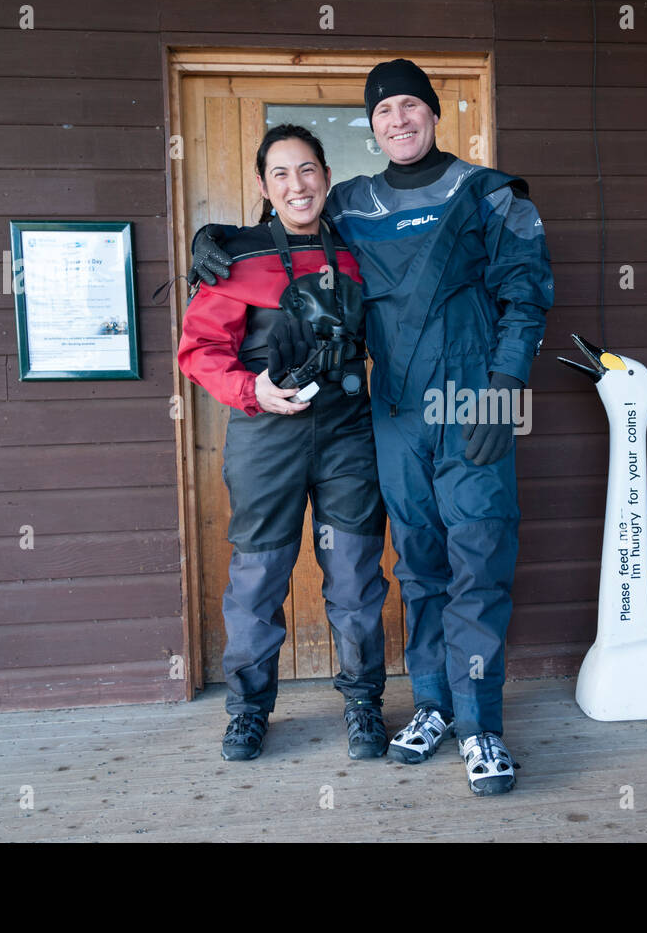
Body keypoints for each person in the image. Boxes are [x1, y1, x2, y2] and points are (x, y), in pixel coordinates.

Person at [193, 60, 554, 795]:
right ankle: (432, 706)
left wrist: (507, 387)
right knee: (419, 565)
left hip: (473, 404)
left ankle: (481, 724)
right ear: (372, 125)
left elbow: (528, 293)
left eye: (410, 106)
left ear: (432, 114)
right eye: (383, 109)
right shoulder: (356, 205)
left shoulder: (491, 193)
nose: (397, 119)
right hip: (392, 415)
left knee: (479, 557)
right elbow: (287, 228)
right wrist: (217, 238)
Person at [178, 124, 391, 763]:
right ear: (265, 187)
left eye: (307, 170)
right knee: (259, 575)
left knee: (354, 573)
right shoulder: (236, 259)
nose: (296, 185)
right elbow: (199, 351)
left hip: (349, 430)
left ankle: (363, 704)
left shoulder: (362, 250)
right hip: (267, 433)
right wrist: (252, 390)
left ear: (326, 176)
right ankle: (247, 711)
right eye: (280, 174)